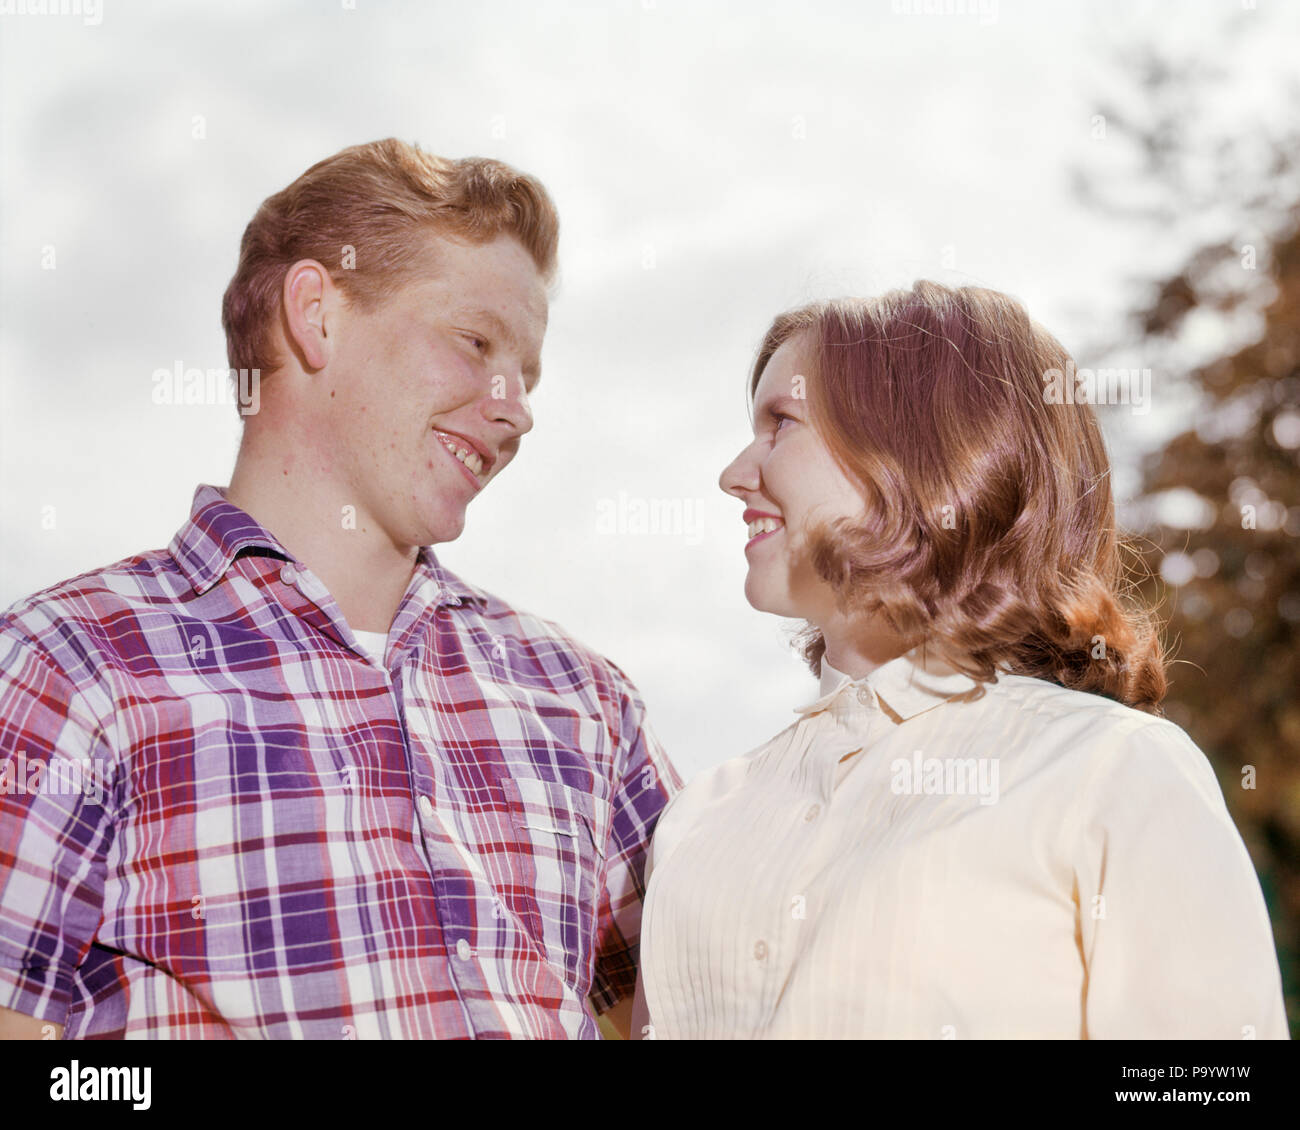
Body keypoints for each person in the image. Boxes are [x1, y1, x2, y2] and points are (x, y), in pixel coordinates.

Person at [0, 138, 680, 1039]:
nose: (516, 408)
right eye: (475, 342)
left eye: (527, 376)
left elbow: (695, 1005)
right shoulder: (67, 669)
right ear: (316, 315)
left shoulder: (585, 702)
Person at [631, 281, 1289, 1039]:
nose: (734, 474)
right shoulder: (698, 820)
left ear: (926, 455)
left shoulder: (1112, 772)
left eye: (782, 424)